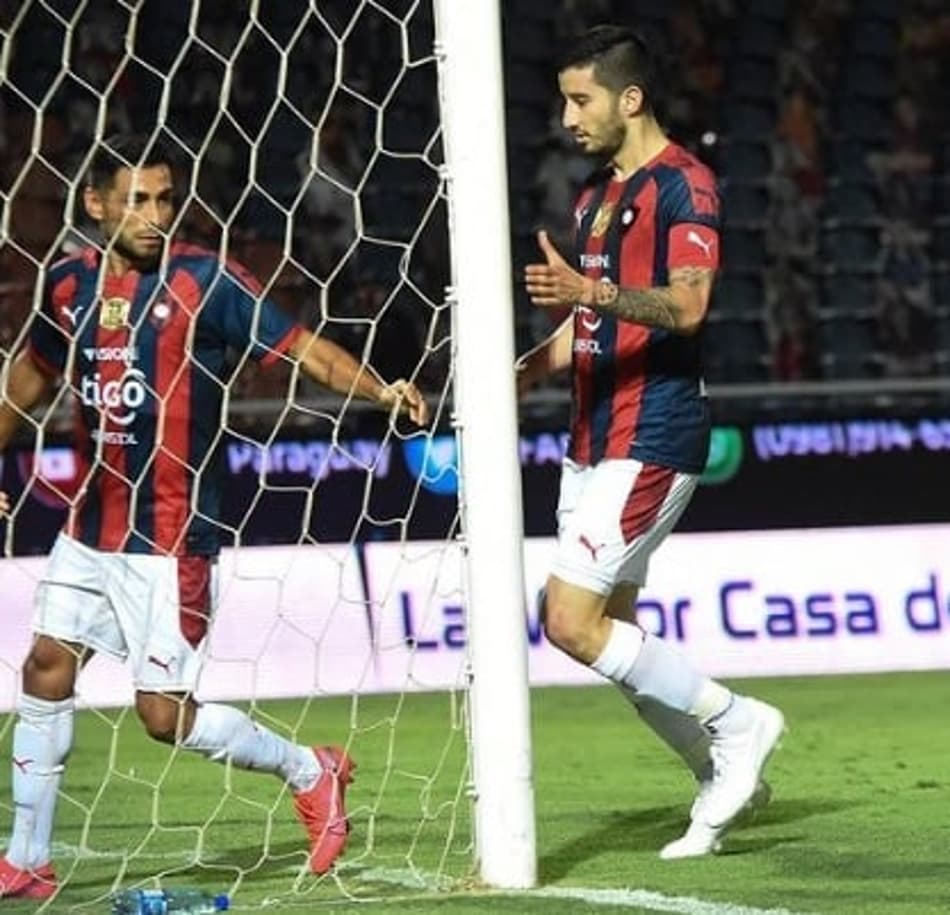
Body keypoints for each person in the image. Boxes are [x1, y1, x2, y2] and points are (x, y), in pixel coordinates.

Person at [0, 134, 429, 899]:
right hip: (90, 526)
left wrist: (381, 389)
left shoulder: (206, 281)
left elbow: (302, 349)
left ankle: (312, 769)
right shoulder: (67, 284)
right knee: (46, 666)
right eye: (137, 199)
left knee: (164, 717)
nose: (155, 215)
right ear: (96, 204)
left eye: (165, 198)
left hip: (171, 535)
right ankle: (28, 856)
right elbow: (30, 374)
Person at [517, 26, 784, 859]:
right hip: (590, 440)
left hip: (654, 433)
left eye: (581, 98)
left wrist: (586, 288)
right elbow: (585, 321)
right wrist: (517, 372)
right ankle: (720, 769)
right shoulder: (597, 195)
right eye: (564, 98)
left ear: (629, 99)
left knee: (567, 617)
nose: (567, 116)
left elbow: (687, 306)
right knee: (614, 634)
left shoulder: (686, 187)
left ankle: (739, 724)